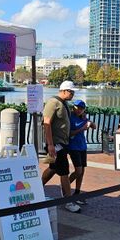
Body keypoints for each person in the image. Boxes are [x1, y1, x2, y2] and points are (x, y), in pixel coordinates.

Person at [41, 81, 81, 213]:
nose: (72, 94)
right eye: (71, 92)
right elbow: (47, 123)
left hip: (62, 143)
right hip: (56, 144)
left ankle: (38, 188)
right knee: (64, 171)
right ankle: (68, 201)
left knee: (53, 168)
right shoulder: (53, 103)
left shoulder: (64, 104)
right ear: (64, 90)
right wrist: (50, 144)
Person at [68, 100, 95, 204]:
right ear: (73, 107)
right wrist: (82, 128)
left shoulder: (83, 117)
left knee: (82, 171)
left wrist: (90, 123)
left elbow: (94, 126)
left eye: (81, 108)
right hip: (73, 147)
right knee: (78, 171)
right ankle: (65, 186)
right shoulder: (70, 117)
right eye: (77, 107)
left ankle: (77, 193)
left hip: (82, 146)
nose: (79, 110)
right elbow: (70, 133)